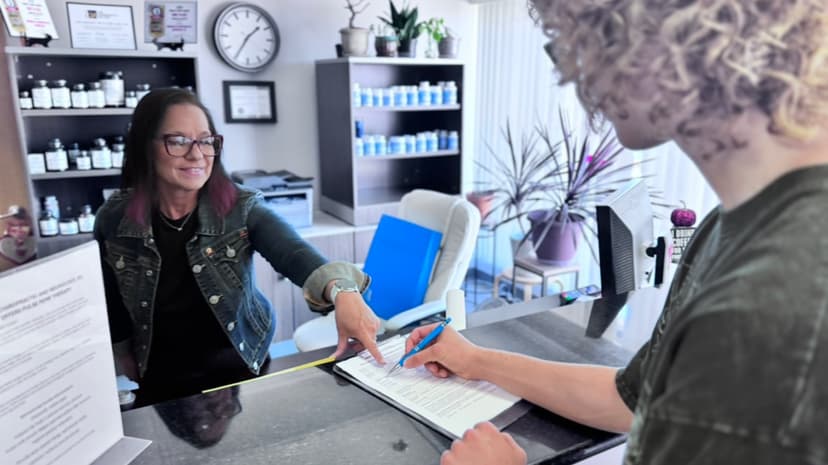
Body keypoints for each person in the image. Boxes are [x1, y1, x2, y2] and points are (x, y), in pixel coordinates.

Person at [405, 1, 828, 464]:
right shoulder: (728, 225)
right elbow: (634, 400)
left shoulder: (773, 303)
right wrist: (477, 360)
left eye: (578, 41)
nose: (574, 71)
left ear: (656, 41)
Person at [94, 88, 384, 407]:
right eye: (178, 141)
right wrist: (123, 352)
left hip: (240, 363)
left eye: (206, 140)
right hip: (159, 370)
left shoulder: (240, 207)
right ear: (144, 147)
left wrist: (343, 292)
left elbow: (294, 253)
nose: (197, 154)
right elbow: (111, 299)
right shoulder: (114, 219)